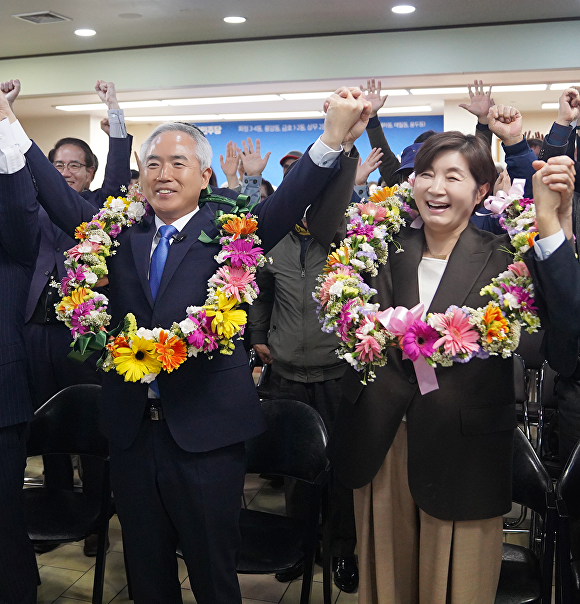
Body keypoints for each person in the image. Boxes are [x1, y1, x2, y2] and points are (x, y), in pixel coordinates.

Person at [7, 86, 370, 604]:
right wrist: (7, 119)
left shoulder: (230, 234)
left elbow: (290, 201)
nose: (164, 173)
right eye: (153, 163)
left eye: (179, 163)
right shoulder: (116, 233)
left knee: (211, 569)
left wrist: (333, 137)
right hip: (132, 435)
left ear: (205, 176)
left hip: (206, 437)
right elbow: (54, 193)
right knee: (146, 569)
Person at [306, 125, 573, 604]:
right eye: (426, 174)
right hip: (382, 448)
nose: (436, 187)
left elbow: (565, 341)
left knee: (459, 589)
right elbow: (322, 226)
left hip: (465, 456)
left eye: (453, 176)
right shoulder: (380, 247)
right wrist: (339, 140)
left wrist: (558, 226)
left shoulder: (506, 260)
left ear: (482, 191)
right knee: (386, 588)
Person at [1, 78, 132, 557]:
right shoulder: (30, 210)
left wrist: (115, 114)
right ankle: (54, 505)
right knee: (44, 426)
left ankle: (97, 515)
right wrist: (7, 112)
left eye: (75, 165)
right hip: (32, 329)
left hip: (82, 336)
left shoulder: (96, 209)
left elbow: (119, 175)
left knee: (90, 427)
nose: (65, 172)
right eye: (58, 165)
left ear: (89, 172)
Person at [249, 209, 359, 592]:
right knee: (297, 471)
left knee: (341, 468)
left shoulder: (346, 239)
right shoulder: (275, 237)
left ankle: (342, 549)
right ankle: (300, 546)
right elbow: (261, 292)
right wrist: (258, 333)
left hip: (336, 372)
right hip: (287, 371)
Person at [0, 90, 40, 603]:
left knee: (4, 523)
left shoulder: (12, 242)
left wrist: (5, 124)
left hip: (1, 401)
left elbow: (18, 205)